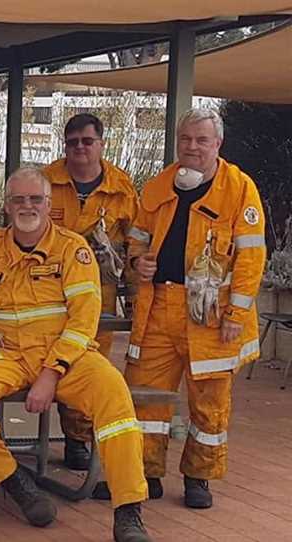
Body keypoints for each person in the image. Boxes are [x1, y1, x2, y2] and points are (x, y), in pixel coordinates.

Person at [0, 168, 151, 542]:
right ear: (6, 206)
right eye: (18, 200)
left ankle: (128, 510)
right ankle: (13, 480)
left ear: (49, 205)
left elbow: (84, 320)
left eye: (35, 199)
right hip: (5, 353)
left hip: (66, 355)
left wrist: (51, 373)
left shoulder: (73, 249)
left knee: (114, 396)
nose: (27, 206)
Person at [124, 108, 265, 509]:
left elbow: (251, 259)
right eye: (186, 139)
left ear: (217, 144)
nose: (192, 147)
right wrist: (138, 261)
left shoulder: (239, 189)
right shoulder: (157, 186)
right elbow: (136, 239)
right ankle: (146, 474)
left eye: (202, 140)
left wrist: (236, 316)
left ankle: (198, 478)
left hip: (212, 317)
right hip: (158, 308)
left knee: (209, 402)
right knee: (146, 398)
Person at [43, 113, 139, 470]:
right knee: (53, 353)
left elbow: (136, 241)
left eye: (87, 141)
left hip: (100, 291)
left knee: (88, 359)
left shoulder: (121, 188)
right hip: (47, 289)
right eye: (72, 142)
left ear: (101, 143)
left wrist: (135, 288)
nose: (79, 148)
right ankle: (59, 434)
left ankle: (78, 439)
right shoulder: (45, 181)